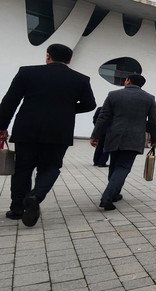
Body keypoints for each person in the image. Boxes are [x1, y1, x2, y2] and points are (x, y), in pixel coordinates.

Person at [0, 44, 96, 226]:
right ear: (69, 61)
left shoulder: (27, 73)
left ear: (47, 57)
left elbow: (9, 101)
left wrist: (2, 126)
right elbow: (90, 104)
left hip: (27, 129)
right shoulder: (81, 79)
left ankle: (17, 209)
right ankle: (35, 196)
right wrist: (68, 109)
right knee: (51, 167)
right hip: (59, 131)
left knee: (22, 169)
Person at [90, 74, 156, 211]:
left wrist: (95, 135)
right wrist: (155, 139)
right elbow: (153, 121)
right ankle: (108, 196)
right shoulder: (149, 98)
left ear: (128, 80)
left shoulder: (113, 95)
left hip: (114, 135)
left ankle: (114, 193)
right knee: (123, 167)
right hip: (134, 138)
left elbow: (103, 117)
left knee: (114, 165)